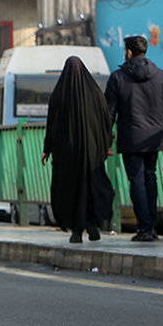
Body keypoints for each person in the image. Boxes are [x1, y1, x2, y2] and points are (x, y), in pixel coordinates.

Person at [104, 35, 163, 242]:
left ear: (128, 52)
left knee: (136, 180)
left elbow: (109, 114)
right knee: (150, 178)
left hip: (130, 139)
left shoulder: (117, 78)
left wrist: (106, 142)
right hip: (154, 140)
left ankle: (144, 227)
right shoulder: (162, 77)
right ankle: (150, 226)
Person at [41, 56, 115, 243]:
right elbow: (105, 121)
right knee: (91, 187)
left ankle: (76, 230)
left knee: (71, 189)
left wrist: (47, 149)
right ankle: (92, 225)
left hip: (67, 155)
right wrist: (107, 144)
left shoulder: (59, 94)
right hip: (92, 154)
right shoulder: (95, 93)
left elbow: (52, 124)